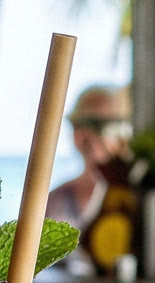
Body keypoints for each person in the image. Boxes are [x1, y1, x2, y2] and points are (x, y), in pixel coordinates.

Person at [47, 85, 131, 229]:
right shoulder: (57, 199)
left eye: (96, 125)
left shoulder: (133, 199)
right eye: (77, 125)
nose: (83, 136)